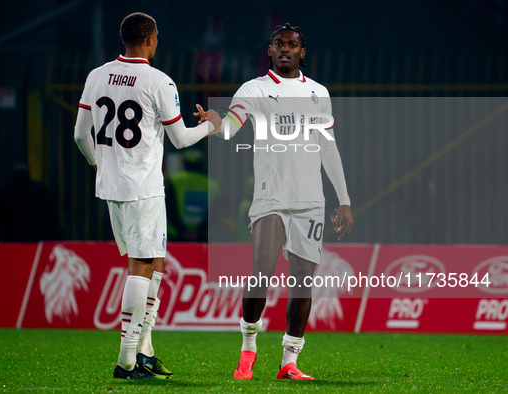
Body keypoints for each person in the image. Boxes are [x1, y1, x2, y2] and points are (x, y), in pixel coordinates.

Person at [73, 12, 221, 379]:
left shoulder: (97, 76)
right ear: (152, 40)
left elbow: (80, 135)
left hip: (112, 187)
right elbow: (180, 139)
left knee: (154, 262)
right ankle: (125, 361)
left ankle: (145, 349)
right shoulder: (159, 81)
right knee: (141, 266)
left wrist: (97, 165)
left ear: (124, 38)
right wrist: (210, 128)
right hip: (143, 188)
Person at [223, 23, 354, 381]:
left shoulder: (318, 93)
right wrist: (215, 123)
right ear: (269, 50)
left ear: (302, 51)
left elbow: (328, 146)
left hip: (310, 201)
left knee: (302, 283)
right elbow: (230, 128)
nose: (285, 49)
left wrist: (343, 199)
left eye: (292, 44)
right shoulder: (254, 89)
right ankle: (248, 348)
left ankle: (289, 360)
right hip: (271, 198)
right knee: (261, 274)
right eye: (279, 44)